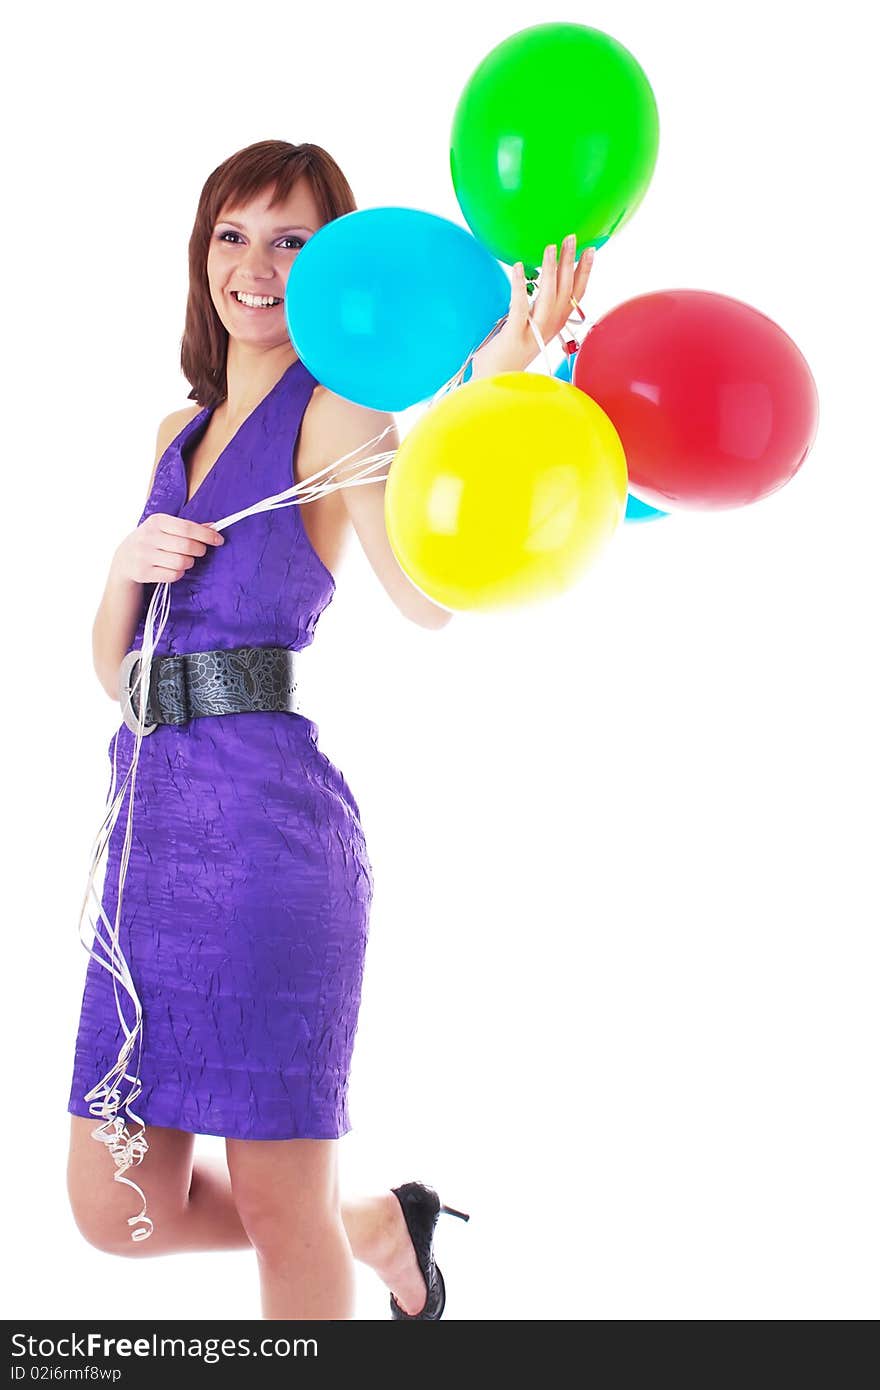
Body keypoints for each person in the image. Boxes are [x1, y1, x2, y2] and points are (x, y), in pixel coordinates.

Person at [64, 139, 592, 1321]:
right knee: (111, 1205)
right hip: (148, 839)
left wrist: (495, 386)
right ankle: (369, 1222)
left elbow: (423, 596)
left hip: (264, 842)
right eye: (231, 236)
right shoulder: (174, 431)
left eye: (291, 240)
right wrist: (121, 568)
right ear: (203, 254)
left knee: (274, 1198)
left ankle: (332, 1229)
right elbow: (120, 670)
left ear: (331, 264)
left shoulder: (343, 408)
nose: (255, 267)